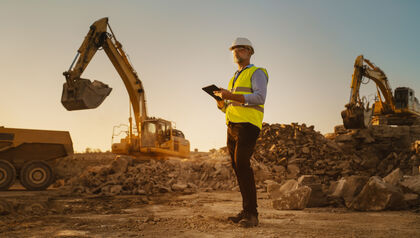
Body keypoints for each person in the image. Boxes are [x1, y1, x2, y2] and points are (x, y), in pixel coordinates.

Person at [214, 37, 268, 228]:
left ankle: (252, 214)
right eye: (234, 49)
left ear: (250, 52)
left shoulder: (257, 72)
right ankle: (246, 210)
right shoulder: (233, 78)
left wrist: (230, 95)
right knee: (238, 167)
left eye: (241, 49)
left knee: (243, 165)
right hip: (233, 126)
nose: (236, 51)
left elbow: (259, 97)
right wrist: (222, 102)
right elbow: (230, 105)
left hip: (248, 125)